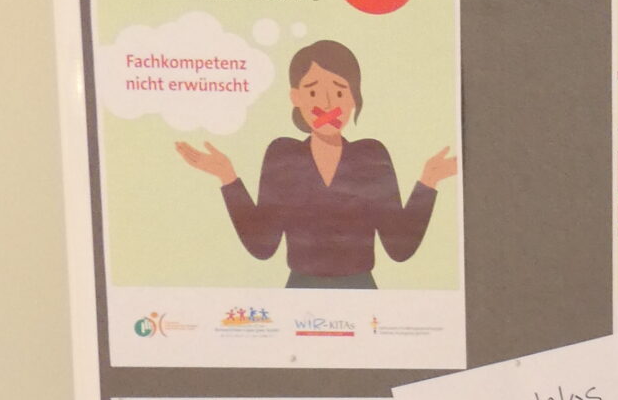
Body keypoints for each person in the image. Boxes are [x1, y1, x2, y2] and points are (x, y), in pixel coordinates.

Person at [176, 37, 456, 286]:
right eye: (312, 92)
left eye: (340, 92)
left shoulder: (371, 155)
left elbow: (400, 248)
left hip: (360, 292)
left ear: (354, 98)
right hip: (300, 290)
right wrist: (228, 177)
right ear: (295, 97)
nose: (327, 103)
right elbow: (262, 247)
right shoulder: (283, 154)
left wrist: (428, 181)